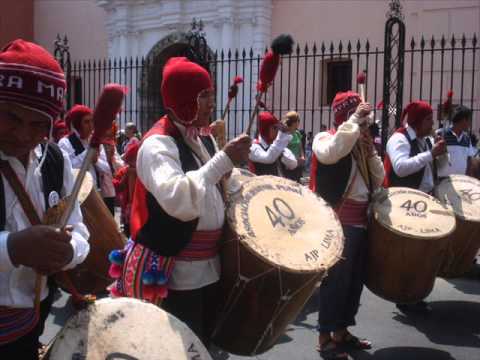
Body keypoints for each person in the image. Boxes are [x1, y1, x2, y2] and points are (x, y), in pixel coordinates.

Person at [110, 57, 251, 345]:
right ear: (185, 99)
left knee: (204, 345)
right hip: (176, 274)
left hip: (211, 268)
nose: (212, 102)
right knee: (180, 348)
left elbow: (222, 184)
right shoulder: (157, 144)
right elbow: (178, 200)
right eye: (204, 96)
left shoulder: (204, 138)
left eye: (211, 94)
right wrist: (223, 160)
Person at [0, 39, 89, 360]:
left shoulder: (55, 160)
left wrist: (68, 252)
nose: (23, 135)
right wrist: (11, 247)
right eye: (11, 117)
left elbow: (79, 230)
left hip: (29, 326)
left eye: (38, 124)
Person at [311, 91, 384, 359]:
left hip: (361, 223)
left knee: (354, 282)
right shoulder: (326, 138)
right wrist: (355, 121)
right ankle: (324, 336)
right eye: (360, 120)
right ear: (346, 116)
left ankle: (341, 331)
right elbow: (331, 154)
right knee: (335, 282)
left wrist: (371, 153)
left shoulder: (359, 146)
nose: (365, 127)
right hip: (339, 222)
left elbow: (379, 179)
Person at [384, 100, 447, 313]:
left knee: (420, 255)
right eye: (429, 119)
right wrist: (430, 154)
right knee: (408, 255)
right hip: (405, 206)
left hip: (422, 203)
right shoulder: (399, 139)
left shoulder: (425, 140)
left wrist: (440, 152)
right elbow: (400, 168)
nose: (433, 123)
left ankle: (414, 294)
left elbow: (437, 168)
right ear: (418, 121)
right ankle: (403, 295)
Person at [58, 105, 112, 207]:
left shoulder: (95, 142)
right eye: (86, 122)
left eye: (92, 121)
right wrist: (88, 155)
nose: (91, 126)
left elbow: (106, 169)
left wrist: (96, 161)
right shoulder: (65, 143)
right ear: (77, 124)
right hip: (76, 195)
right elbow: (69, 169)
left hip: (95, 194)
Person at [248, 111, 297, 176]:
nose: (277, 131)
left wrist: (282, 154)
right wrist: (281, 137)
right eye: (274, 128)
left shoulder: (277, 145)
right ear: (265, 128)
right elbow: (268, 158)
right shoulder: (253, 147)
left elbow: (293, 164)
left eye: (278, 128)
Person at [436, 105, 476, 178]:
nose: (470, 124)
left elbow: (469, 160)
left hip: (461, 181)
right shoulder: (440, 135)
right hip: (443, 181)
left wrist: (469, 178)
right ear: (464, 120)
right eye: (470, 120)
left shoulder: (467, 138)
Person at [113, 142, 139, 237]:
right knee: (124, 232)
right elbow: (116, 186)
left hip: (138, 211)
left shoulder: (145, 173)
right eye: (131, 163)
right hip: (124, 208)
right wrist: (125, 178)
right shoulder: (124, 171)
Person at [101, 122, 124, 215]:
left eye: (111, 127)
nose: (109, 130)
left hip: (109, 180)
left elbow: (116, 161)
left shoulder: (111, 143)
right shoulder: (100, 142)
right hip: (102, 180)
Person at [282, 111, 306, 182]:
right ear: (293, 122)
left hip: (298, 165)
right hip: (288, 165)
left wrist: (302, 156)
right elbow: (283, 150)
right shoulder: (284, 135)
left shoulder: (297, 133)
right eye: (298, 121)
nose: (299, 123)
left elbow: (300, 147)